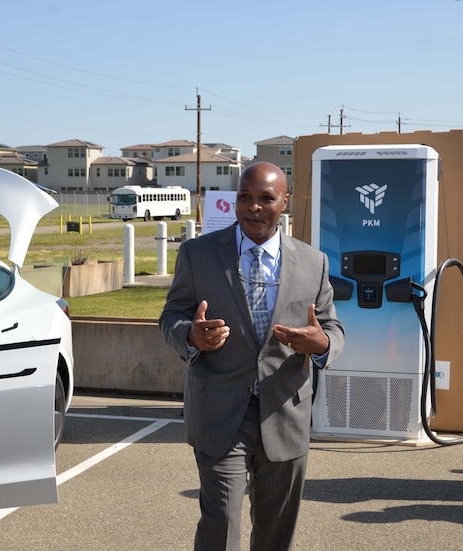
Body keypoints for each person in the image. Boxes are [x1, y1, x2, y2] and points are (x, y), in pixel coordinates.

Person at [160, 161, 344, 550]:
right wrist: (191, 336)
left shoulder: (314, 263)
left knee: (276, 532)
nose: (252, 207)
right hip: (219, 410)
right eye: (245, 197)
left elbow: (333, 330)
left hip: (285, 412)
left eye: (265, 199)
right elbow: (171, 317)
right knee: (221, 521)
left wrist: (321, 344)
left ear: (285, 203)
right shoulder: (198, 254)